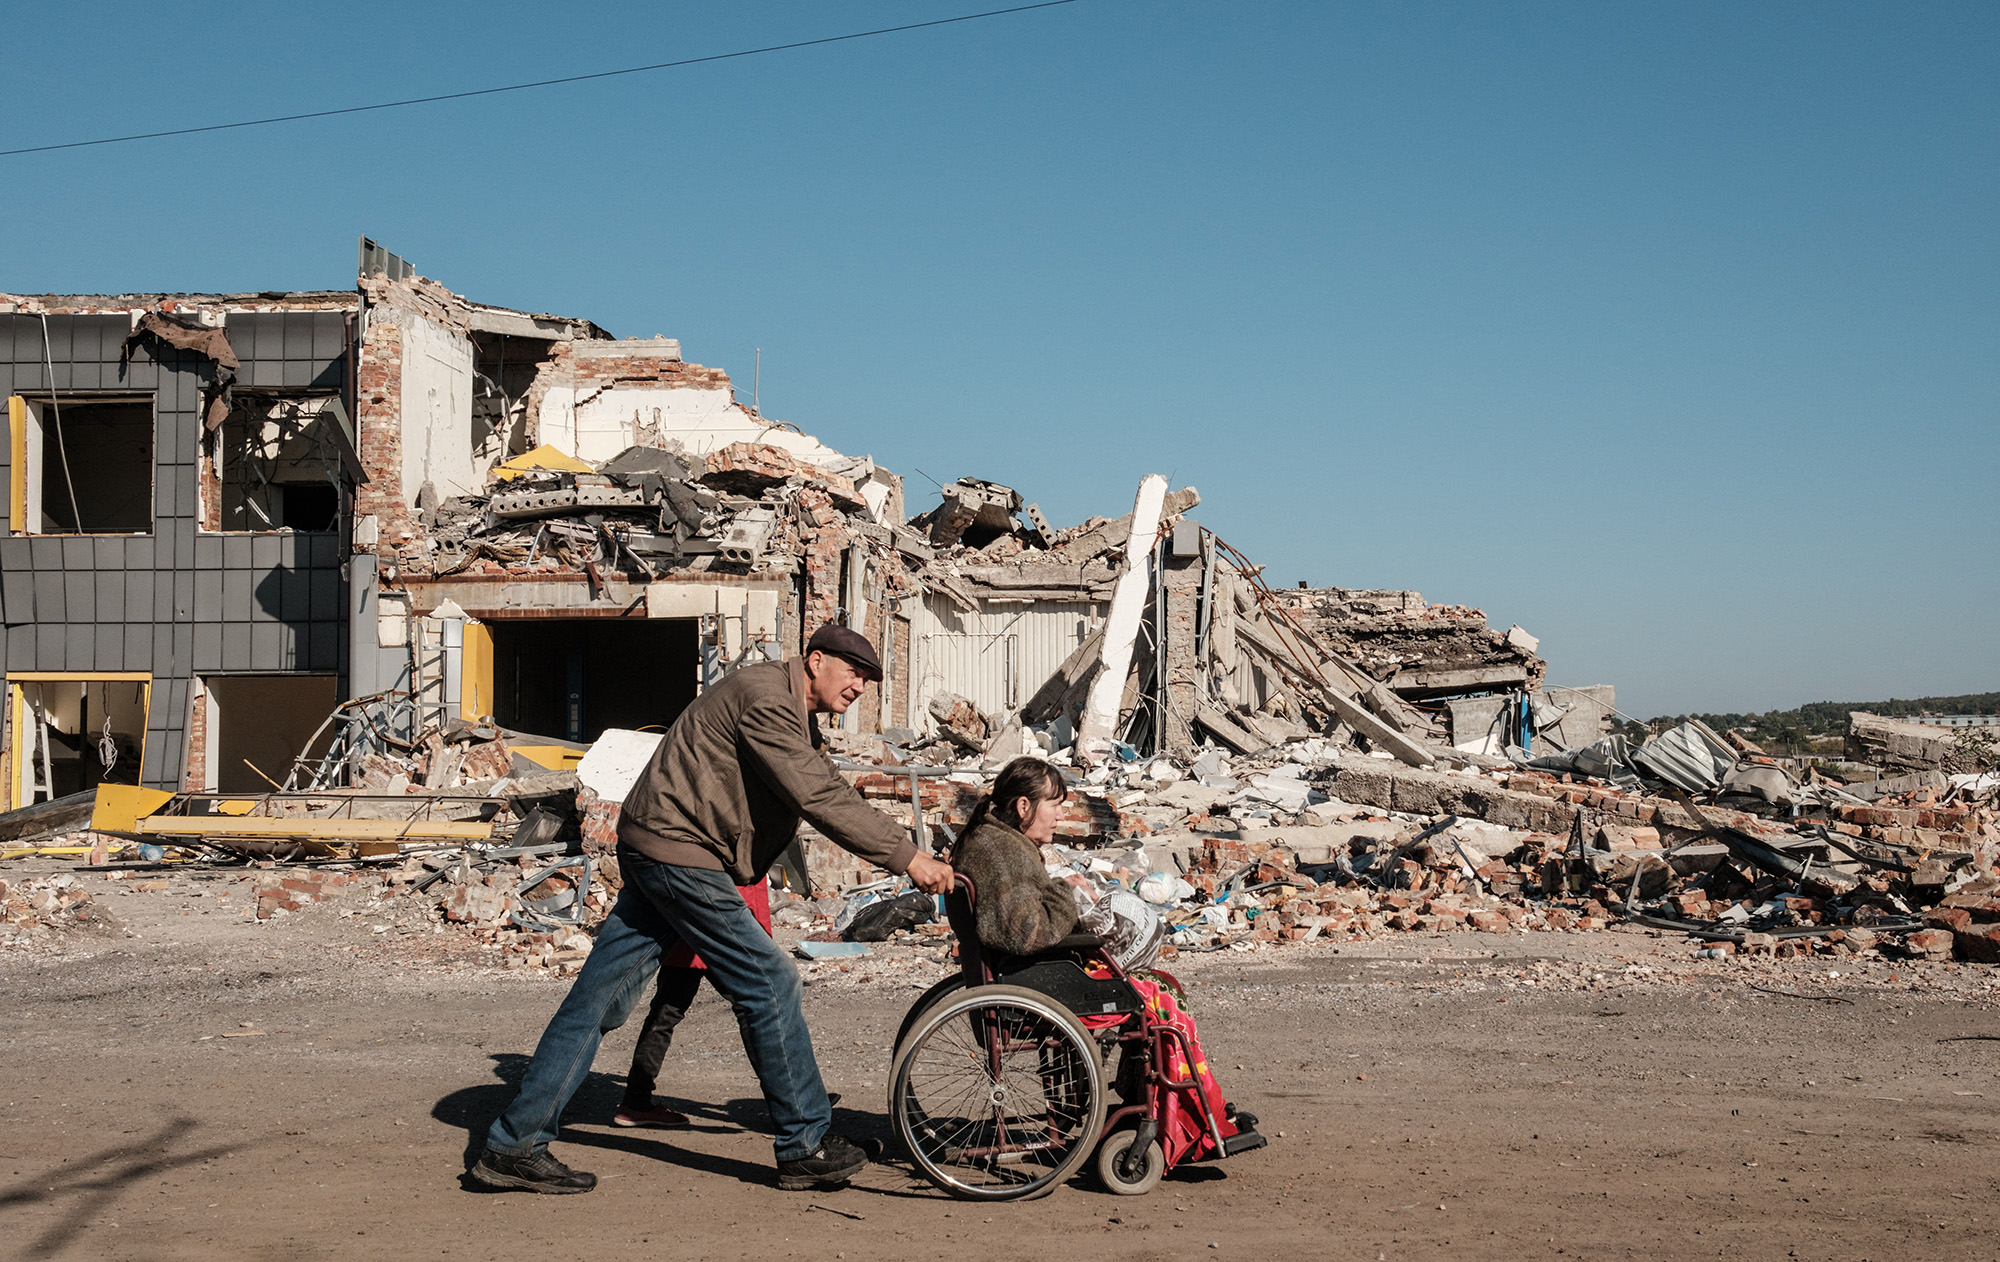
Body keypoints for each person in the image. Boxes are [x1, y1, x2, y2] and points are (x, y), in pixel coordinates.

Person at [471, 624, 955, 1194]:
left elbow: (827, 785)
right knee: (770, 982)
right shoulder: (767, 699)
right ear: (816, 660)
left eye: (868, 680)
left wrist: (910, 848)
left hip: (662, 845)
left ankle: (514, 1143)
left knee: (598, 1000)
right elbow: (815, 795)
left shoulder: (794, 714)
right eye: (854, 673)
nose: (860, 688)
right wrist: (907, 858)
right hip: (679, 853)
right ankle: (805, 1143)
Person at [949, 756, 1086, 956]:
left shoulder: (994, 838)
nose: (1061, 816)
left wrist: (1064, 887)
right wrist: (1067, 893)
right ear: (1023, 807)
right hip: (1025, 968)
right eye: (1055, 805)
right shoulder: (1005, 851)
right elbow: (1030, 935)